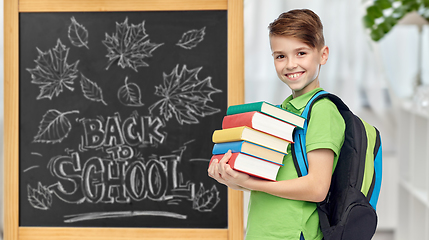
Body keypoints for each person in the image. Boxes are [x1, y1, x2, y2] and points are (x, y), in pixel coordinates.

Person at [208, 9, 346, 240]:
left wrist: (252, 184)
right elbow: (274, 180)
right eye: (280, 56)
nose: (291, 64)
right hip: (263, 233)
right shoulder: (285, 111)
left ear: (323, 54)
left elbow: (317, 188)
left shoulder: (322, 110)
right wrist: (235, 180)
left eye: (301, 53)